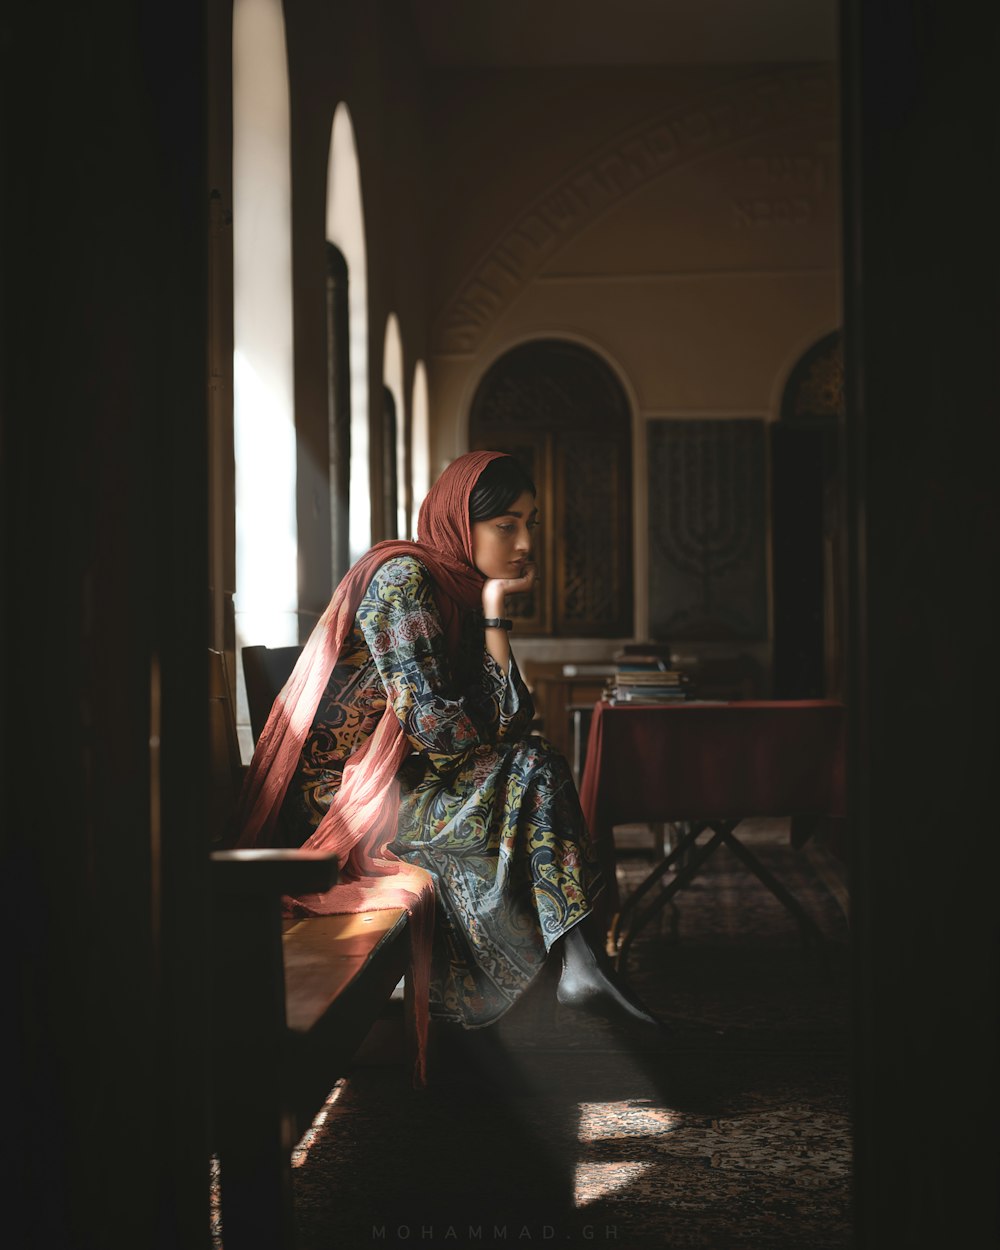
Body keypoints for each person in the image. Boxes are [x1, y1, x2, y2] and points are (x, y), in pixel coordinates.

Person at [231, 450, 659, 1078]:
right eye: (505, 525)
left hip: (411, 784)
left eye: (529, 524)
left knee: (534, 763)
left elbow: (509, 722)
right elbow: (440, 732)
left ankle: (576, 964)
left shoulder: (457, 589)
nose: (523, 543)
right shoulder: (402, 579)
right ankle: (578, 962)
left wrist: (493, 612)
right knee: (534, 769)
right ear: (462, 521)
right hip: (344, 802)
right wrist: (485, 721)